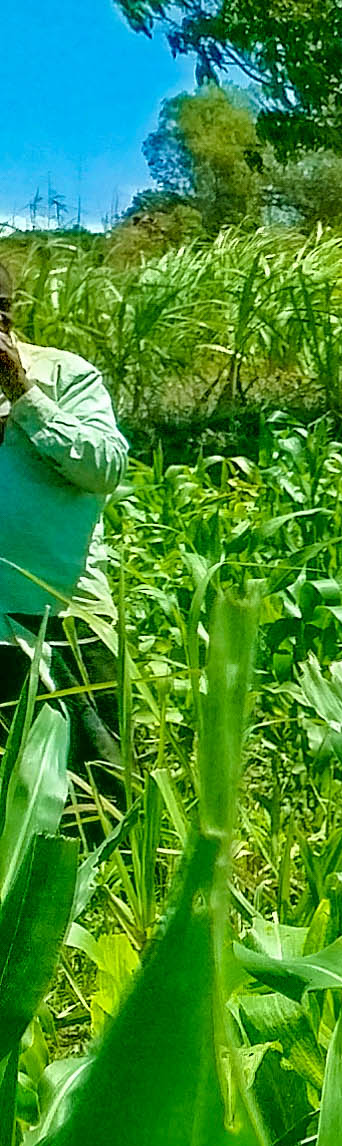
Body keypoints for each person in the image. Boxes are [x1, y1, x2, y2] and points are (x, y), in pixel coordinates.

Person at [0, 259, 130, 809]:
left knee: (96, 783)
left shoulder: (64, 376)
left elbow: (105, 467)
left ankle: (104, 890)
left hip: (62, 611)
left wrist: (24, 396)